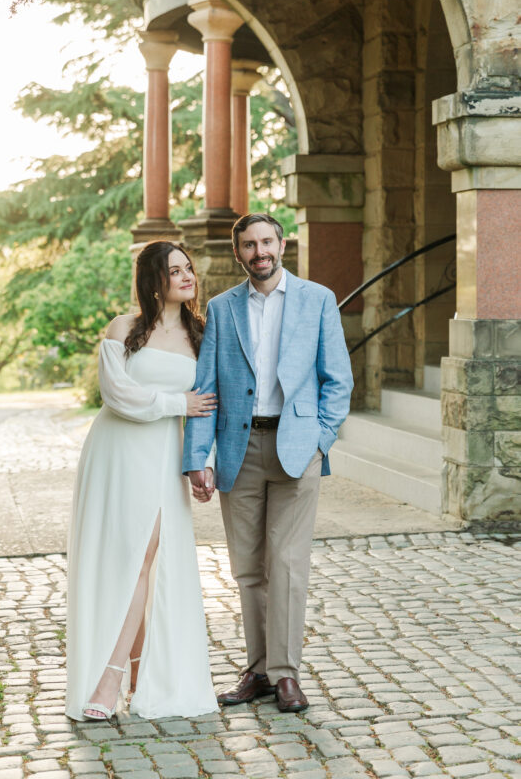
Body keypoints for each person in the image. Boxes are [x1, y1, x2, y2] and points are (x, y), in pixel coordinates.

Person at [183, 213, 353, 713]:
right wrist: (198, 457)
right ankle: (256, 670)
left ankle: (285, 674)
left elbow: (337, 380)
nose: (259, 252)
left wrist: (321, 438)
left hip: (297, 448)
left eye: (266, 242)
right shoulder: (221, 308)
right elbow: (206, 388)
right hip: (240, 450)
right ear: (238, 254)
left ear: (281, 244)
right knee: (248, 569)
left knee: (286, 562)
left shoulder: (318, 299)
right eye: (249, 246)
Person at [66, 241, 219, 722]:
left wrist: (203, 460)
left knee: (147, 557)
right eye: (174, 270)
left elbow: (212, 406)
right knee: (122, 560)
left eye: (188, 268)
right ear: (154, 280)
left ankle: (114, 679)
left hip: (162, 455)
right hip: (115, 451)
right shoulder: (124, 328)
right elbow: (117, 395)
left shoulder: (202, 335)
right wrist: (177, 403)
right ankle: (129, 670)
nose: (186, 276)